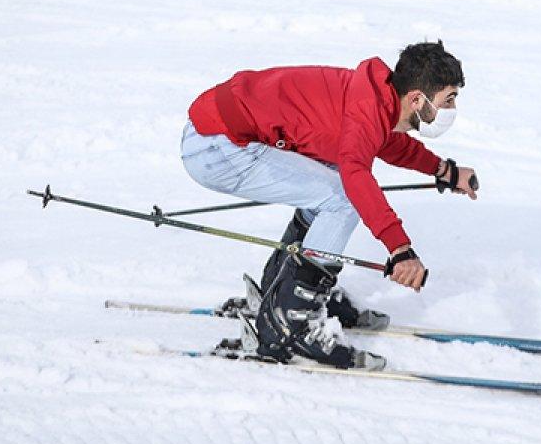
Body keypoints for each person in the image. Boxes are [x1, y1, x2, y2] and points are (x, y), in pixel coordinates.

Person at [180, 40, 477, 370]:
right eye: (448, 99)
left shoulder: (376, 98)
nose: (452, 109)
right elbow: (357, 177)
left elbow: (388, 143)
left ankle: (280, 291)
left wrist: (444, 171)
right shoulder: (367, 110)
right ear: (417, 99)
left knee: (333, 179)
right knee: (341, 197)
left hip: (220, 132)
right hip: (215, 146)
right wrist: (400, 249)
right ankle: (291, 319)